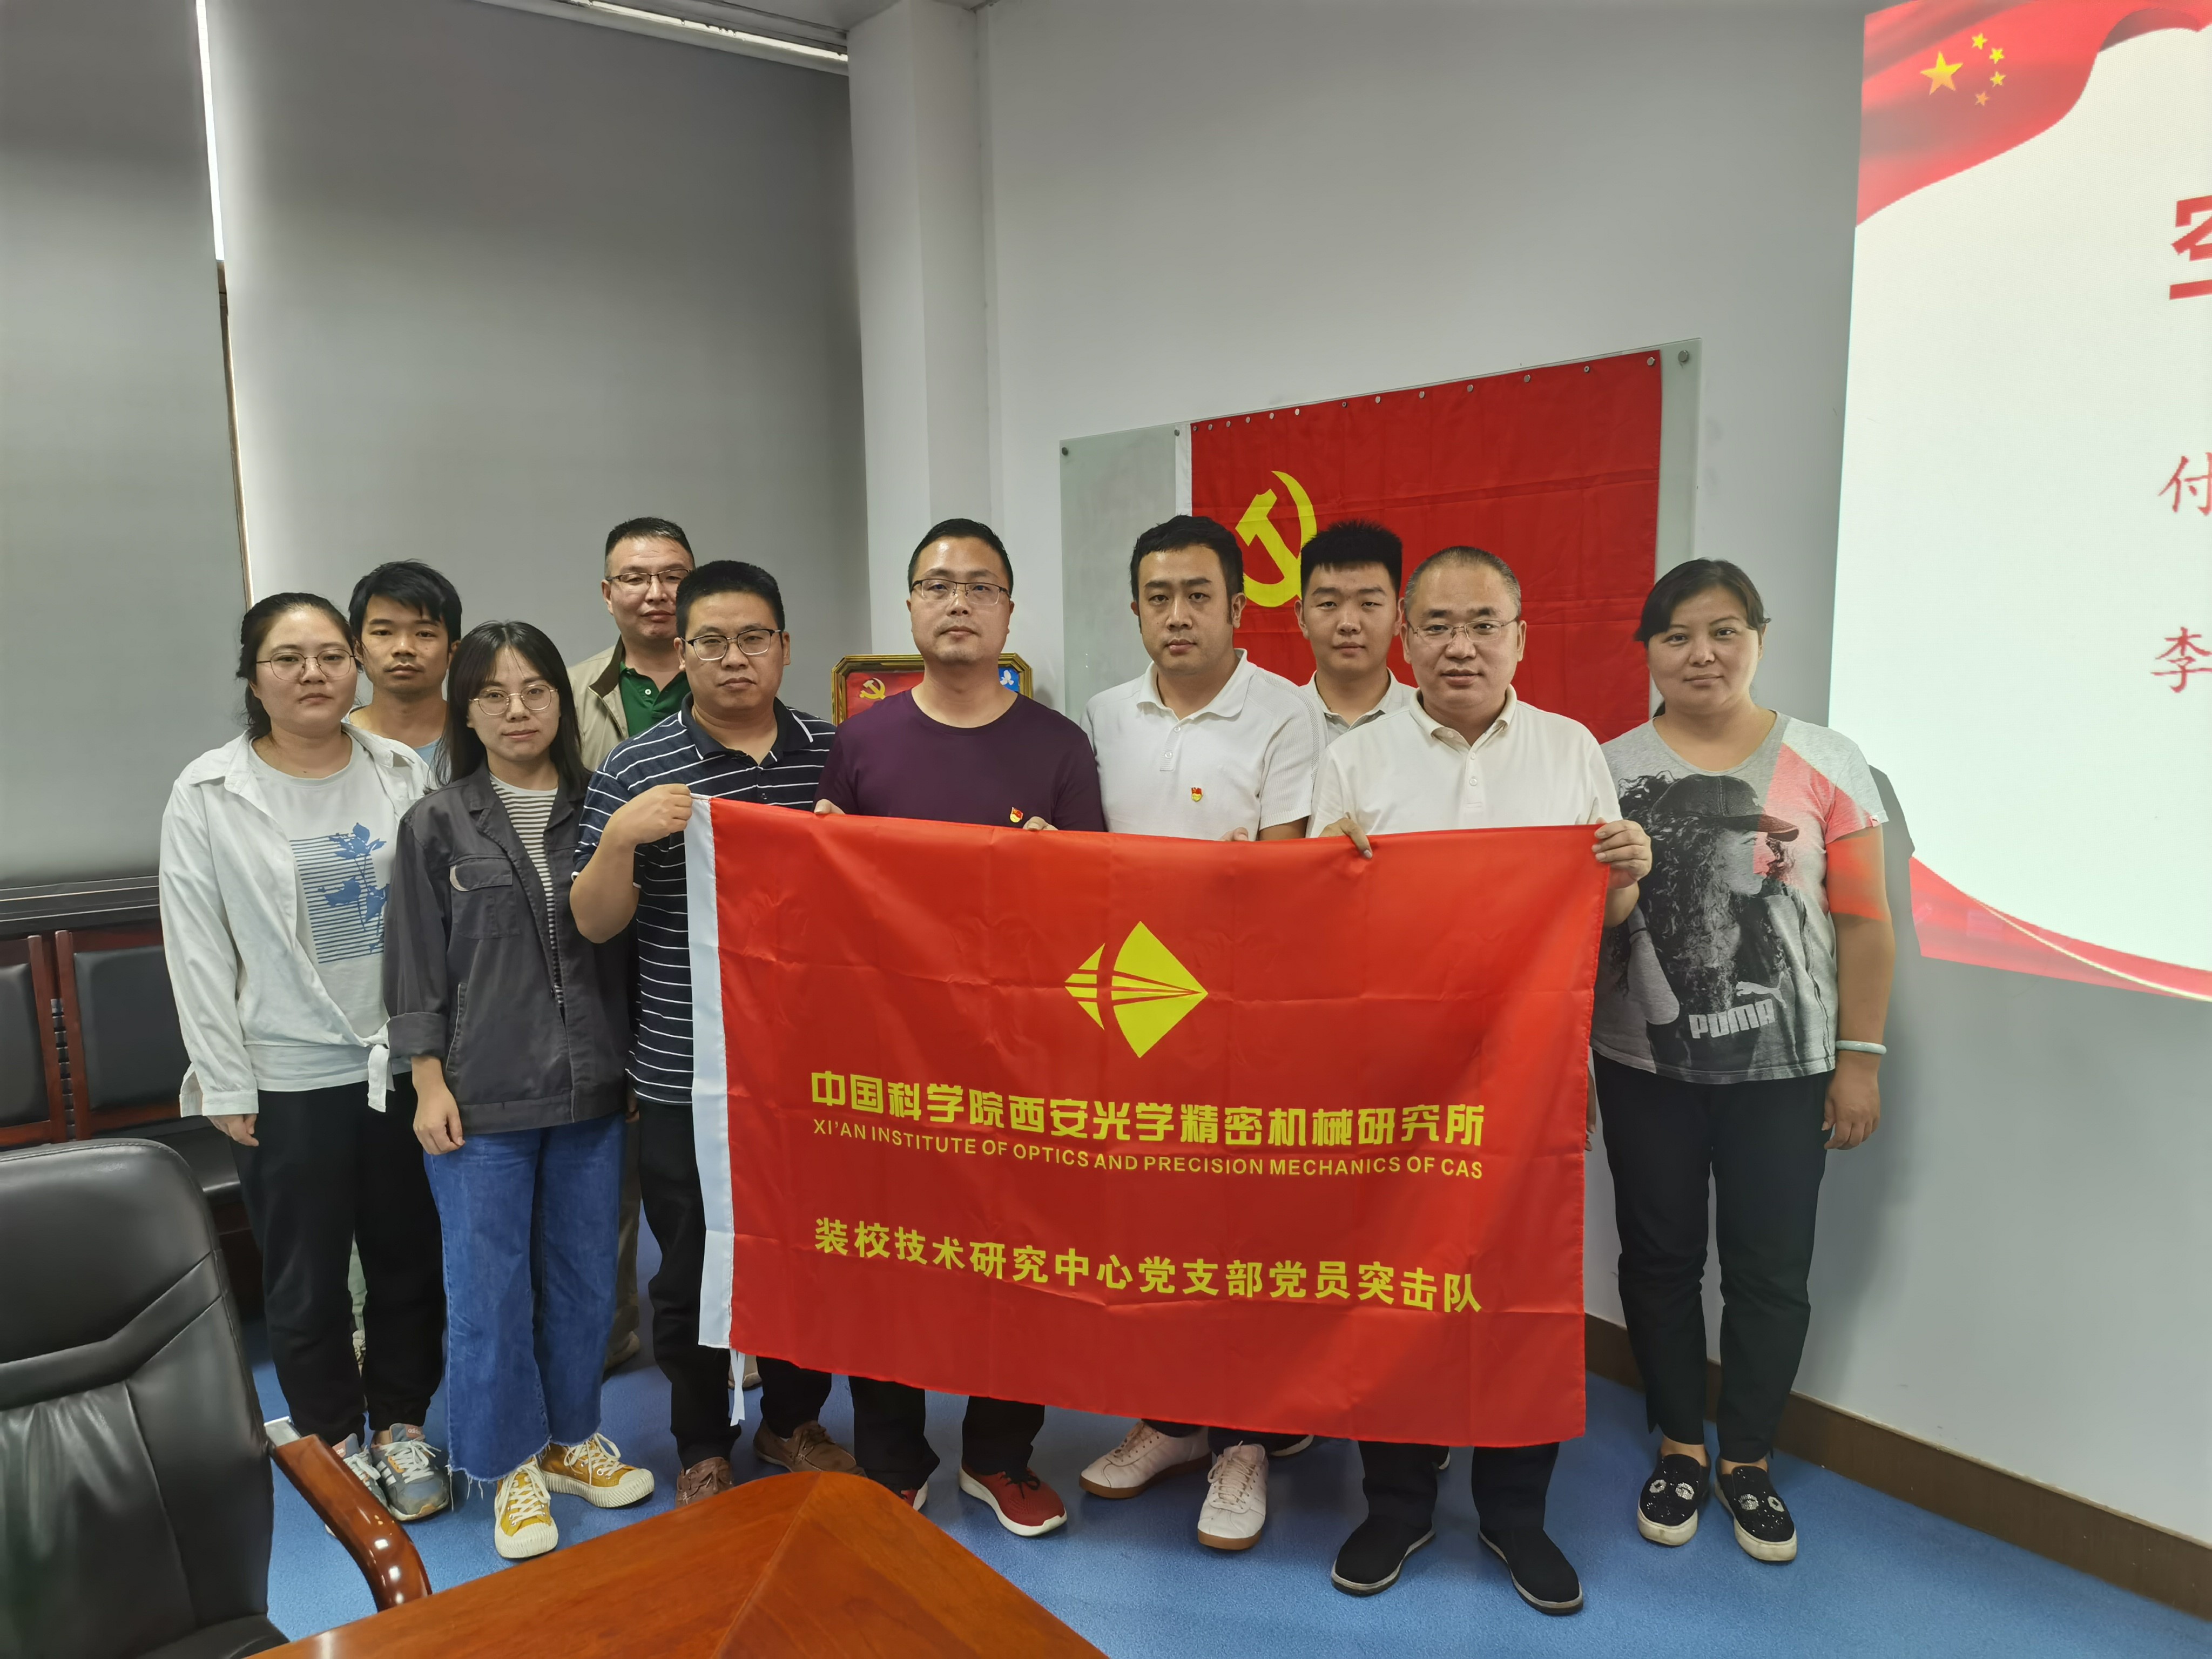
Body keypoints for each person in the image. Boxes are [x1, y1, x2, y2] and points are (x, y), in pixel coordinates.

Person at [1310, 547, 1651, 1613]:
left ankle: (1514, 1512)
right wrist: (1327, 871)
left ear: (1519, 637)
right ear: (1405, 639)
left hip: (1529, 1077)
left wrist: (1630, 874)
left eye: (1483, 624)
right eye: (1439, 625)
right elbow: (1316, 929)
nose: (1460, 646)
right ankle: (1397, 1502)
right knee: (1396, 1285)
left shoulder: (1568, 750)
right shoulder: (1355, 759)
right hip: (1392, 1079)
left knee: (1520, 1289)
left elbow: (1599, 917)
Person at [1590, 559, 1893, 1566]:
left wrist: (1859, 1058)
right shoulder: (1606, 767)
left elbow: (1865, 921)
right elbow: (1575, 927)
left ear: (1760, 637)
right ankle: (1680, 1443)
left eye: (1725, 631)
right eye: (1676, 634)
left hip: (1788, 1071)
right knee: (1659, 1257)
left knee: (1771, 1268)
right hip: (1643, 1067)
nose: (1702, 653)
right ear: (1648, 649)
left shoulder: (1827, 760)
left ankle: (1749, 1458)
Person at [814, 517, 1103, 1537]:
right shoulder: (862, 742)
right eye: (938, 585)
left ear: (1009, 613)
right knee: (888, 1256)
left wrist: (1056, 868)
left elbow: (1096, 909)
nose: (959, 603)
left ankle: (999, 1455)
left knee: (1016, 1261)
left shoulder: (1058, 746)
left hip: (1017, 1054)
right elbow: (830, 903)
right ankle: (892, 1455)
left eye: (981, 587)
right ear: (909, 608)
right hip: (892, 1052)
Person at [571, 560, 857, 1507]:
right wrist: (623, 838)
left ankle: (792, 1419)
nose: (735, 659)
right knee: (691, 1268)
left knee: (807, 1256)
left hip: (815, 1072)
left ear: (785, 647)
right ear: (681, 650)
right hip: (685, 1071)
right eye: (712, 642)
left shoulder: (837, 756)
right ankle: (702, 1441)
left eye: (753, 639)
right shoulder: (635, 766)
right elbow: (593, 923)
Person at [159, 594, 448, 1521]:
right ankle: (332, 1438)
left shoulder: (399, 769)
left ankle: (400, 1423)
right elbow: (196, 944)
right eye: (288, 658)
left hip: (400, 1065)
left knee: (408, 1258)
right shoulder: (209, 790)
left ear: (355, 666)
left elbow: (440, 920)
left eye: (330, 654)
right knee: (306, 1274)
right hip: (285, 1071)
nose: (314, 673)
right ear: (254, 677)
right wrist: (223, 1077)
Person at [1075, 513, 1324, 1551]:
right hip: (1132, 1013)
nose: (1176, 615)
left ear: (1237, 604)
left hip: (1241, 1019)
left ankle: (1245, 1440)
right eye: (1158, 597)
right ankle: (1172, 1420)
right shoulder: (1102, 712)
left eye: (1197, 595)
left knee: (1243, 1234)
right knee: (1151, 1231)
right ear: (1135, 608)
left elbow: (1284, 878)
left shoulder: (1286, 712)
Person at [385, 621, 652, 1560]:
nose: (517, 710)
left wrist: (629, 1064)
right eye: (493, 695)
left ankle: (571, 1439)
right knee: (488, 1291)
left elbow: (626, 953)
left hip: (591, 1089)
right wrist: (426, 1079)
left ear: (560, 702)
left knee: (584, 1281)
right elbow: (415, 964)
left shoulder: (601, 808)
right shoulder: (435, 823)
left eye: (535, 689)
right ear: (466, 711)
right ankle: (506, 1468)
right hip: (481, 1096)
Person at [570, 518, 697, 1374]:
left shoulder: (731, 674)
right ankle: (610, 1330)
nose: (656, 593)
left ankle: (733, 1328)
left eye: (673, 575)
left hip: (696, 952)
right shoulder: (568, 691)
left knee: (703, 1162)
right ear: (607, 592)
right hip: (596, 949)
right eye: (636, 577)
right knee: (604, 1159)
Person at [1292, 518, 1416, 739]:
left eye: (1369, 603)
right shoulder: (1274, 722)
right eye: (1329, 604)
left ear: (1399, 615)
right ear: (1302, 618)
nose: (1348, 624)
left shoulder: (1429, 720)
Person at [346, 561, 462, 773]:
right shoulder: (330, 739)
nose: (403, 648)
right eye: (383, 632)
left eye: (425, 634)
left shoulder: (484, 738)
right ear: (358, 649)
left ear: (453, 652)